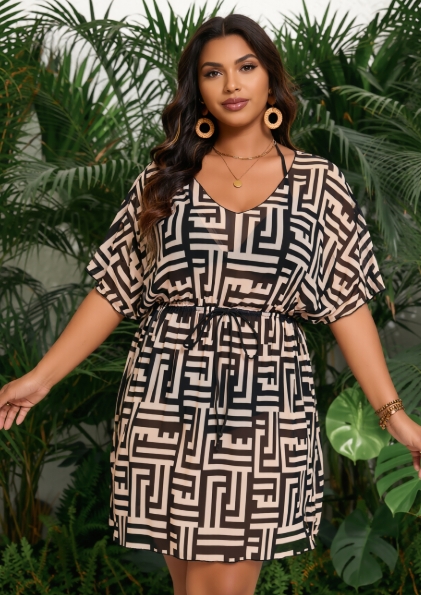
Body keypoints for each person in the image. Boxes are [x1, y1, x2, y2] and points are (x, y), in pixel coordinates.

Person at [1, 13, 420, 595]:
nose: (231, 84)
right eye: (213, 72)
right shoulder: (164, 178)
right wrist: (40, 379)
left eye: (246, 67)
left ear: (270, 80)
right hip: (165, 396)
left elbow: (347, 306)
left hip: (266, 402)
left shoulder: (319, 183)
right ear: (196, 89)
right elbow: (114, 290)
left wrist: (395, 417)